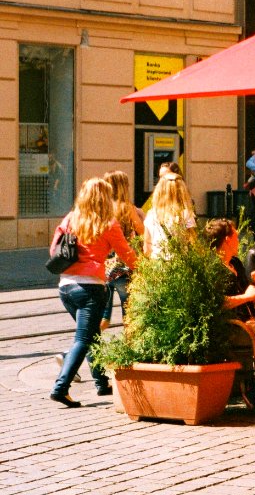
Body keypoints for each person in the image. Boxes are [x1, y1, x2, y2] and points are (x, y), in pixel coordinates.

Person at [49, 177, 138, 407]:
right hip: (90, 288)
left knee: (91, 336)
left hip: (66, 287)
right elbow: (127, 255)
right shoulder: (108, 224)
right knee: (83, 338)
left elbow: (54, 249)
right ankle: (61, 387)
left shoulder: (71, 219)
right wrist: (145, 268)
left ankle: (101, 382)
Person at [204, 219, 255, 415]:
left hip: (250, 320)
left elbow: (251, 293)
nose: (239, 240)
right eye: (236, 236)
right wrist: (246, 296)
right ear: (227, 239)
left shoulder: (235, 263)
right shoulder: (213, 268)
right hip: (233, 327)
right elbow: (217, 302)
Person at [100, 170, 145, 331]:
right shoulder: (126, 207)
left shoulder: (102, 209)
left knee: (104, 317)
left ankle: (88, 346)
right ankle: (129, 350)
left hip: (103, 270)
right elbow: (142, 231)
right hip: (123, 269)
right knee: (129, 315)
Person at [143, 173, 196, 259]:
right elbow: (194, 243)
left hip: (157, 265)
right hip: (180, 266)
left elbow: (147, 249)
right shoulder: (185, 213)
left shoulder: (151, 214)